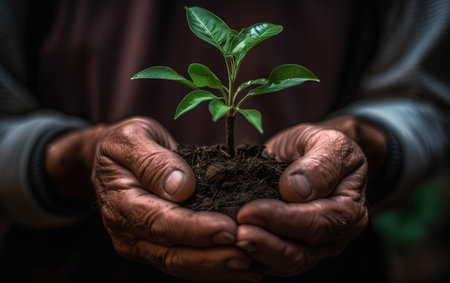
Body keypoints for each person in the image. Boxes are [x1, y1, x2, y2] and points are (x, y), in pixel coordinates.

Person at [0, 0, 449, 282]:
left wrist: (361, 145)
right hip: (74, 256)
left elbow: (425, 101)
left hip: (325, 255)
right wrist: (76, 158)